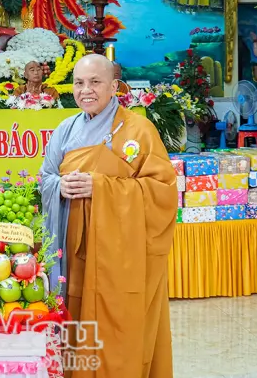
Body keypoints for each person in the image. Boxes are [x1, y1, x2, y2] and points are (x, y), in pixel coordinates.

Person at [40, 54, 178, 378]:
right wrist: (60, 186)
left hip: (120, 259)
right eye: (78, 83)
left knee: (119, 328)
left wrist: (100, 187)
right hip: (75, 252)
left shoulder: (139, 130)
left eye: (95, 82)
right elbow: (46, 178)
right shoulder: (65, 130)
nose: (85, 90)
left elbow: (163, 191)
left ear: (114, 86)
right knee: (77, 321)